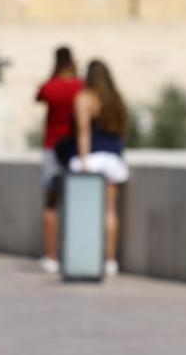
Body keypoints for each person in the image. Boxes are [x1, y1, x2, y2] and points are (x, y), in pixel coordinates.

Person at [69, 60, 131, 277]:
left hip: (92, 158)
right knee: (110, 212)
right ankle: (110, 260)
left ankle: (84, 256)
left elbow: (83, 131)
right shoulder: (116, 99)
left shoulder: (85, 98)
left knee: (84, 213)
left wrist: (84, 162)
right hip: (113, 160)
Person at [35, 46, 83, 274]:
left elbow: (39, 96)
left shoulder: (50, 87)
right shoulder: (79, 87)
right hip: (73, 148)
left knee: (51, 203)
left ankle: (50, 256)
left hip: (51, 147)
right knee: (77, 202)